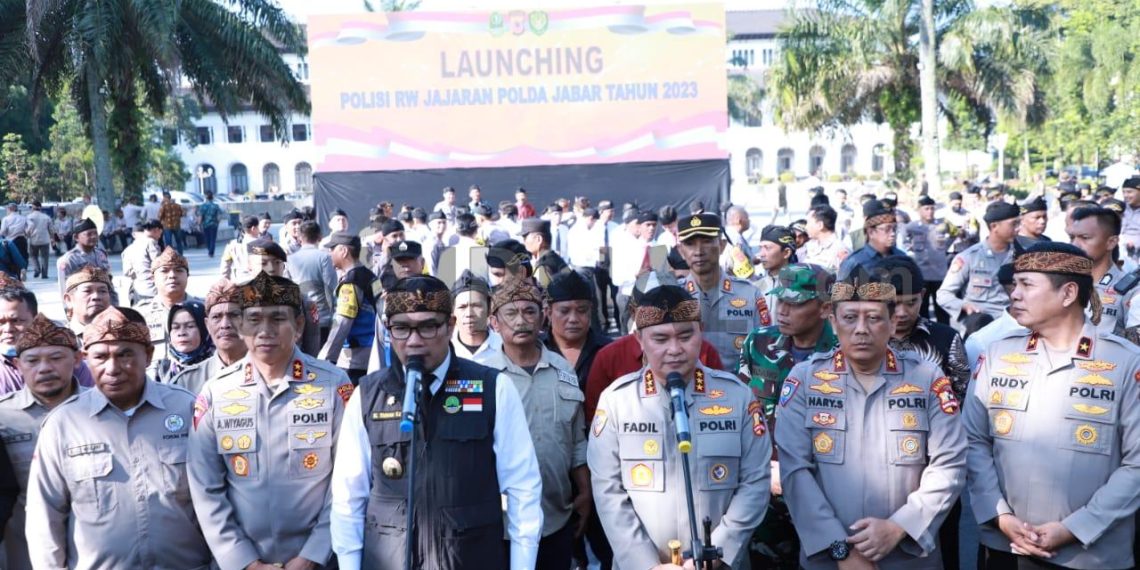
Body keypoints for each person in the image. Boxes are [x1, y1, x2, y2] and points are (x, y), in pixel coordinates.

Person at [330, 275, 543, 569]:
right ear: (388, 332)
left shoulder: (493, 388)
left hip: (471, 558)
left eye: (428, 326)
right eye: (402, 328)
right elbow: (348, 498)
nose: (414, 341)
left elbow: (523, 489)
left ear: (450, 326)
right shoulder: (367, 396)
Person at [775, 270, 967, 569]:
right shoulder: (805, 380)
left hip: (908, 555)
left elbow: (950, 463)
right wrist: (840, 549)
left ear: (892, 323)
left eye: (874, 318)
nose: (861, 329)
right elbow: (795, 472)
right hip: (828, 559)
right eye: (850, 317)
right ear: (833, 321)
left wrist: (898, 527)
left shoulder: (927, 377)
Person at [965, 242, 1140, 569]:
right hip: (1006, 547)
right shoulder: (998, 355)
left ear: (1068, 293)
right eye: (1014, 285)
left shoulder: (1125, 363)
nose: (1014, 294)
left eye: (1026, 284)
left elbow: (1136, 465)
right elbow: (974, 441)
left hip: (1091, 554)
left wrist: (1075, 528)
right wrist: (999, 514)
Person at [589, 284, 772, 569]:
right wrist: (646, 564)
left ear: (700, 330)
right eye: (660, 339)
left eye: (686, 336)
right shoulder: (617, 402)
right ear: (639, 339)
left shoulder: (737, 397)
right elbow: (608, 491)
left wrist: (717, 552)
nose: (674, 349)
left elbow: (755, 482)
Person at [189, 271, 353, 570]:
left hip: (321, 560)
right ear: (240, 326)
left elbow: (346, 480)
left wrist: (313, 555)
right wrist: (244, 561)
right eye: (254, 320)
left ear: (299, 325)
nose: (265, 331)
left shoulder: (334, 385)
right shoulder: (217, 391)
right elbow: (205, 487)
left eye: (278, 319)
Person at [25, 306, 211, 568]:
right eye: (100, 357)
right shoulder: (63, 424)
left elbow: (218, 495)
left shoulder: (187, 408)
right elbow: (44, 517)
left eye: (125, 355)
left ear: (148, 356)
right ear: (87, 359)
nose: (112, 368)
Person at [475, 278, 589, 568]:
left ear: (543, 317)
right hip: (498, 523)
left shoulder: (562, 368)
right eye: (510, 314)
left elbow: (575, 438)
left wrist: (585, 492)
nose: (521, 321)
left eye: (529, 311)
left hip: (556, 515)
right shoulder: (481, 376)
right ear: (494, 323)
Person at [0, 315, 85, 570]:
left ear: (78, 359)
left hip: (95, 553)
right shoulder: (3, 418)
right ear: (17, 365)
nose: (45, 368)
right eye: (33, 361)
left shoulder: (103, 411)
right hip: (22, 555)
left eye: (56, 358)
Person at [676, 212, 767, 370]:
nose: (698, 251)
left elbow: (765, 351)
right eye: (690, 243)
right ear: (681, 250)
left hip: (737, 389)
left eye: (706, 241)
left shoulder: (750, 295)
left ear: (722, 245)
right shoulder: (670, 298)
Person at [937, 201, 1020, 327]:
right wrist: (963, 305)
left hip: (1014, 324)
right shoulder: (968, 257)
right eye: (1013, 224)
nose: (1018, 228)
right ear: (994, 227)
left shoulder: (1022, 256)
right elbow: (943, 294)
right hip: (981, 326)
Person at [1067, 206, 1139, 336]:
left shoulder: (1131, 292)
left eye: (1085, 237)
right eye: (1072, 237)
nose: (1075, 244)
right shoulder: (1061, 283)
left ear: (1111, 242)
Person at [320, 232, 378, 385]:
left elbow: (342, 323)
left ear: (343, 251)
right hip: (375, 354)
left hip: (354, 361)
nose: (330, 253)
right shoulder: (371, 276)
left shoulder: (350, 284)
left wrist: (325, 360)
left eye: (332, 249)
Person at [171, 279, 247, 395]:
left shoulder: (272, 373)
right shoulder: (186, 382)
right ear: (207, 325)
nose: (225, 325)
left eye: (234, 315)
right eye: (217, 317)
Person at [135, 247, 200, 366]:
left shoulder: (203, 310)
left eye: (179, 270)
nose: (172, 275)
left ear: (187, 275)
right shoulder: (139, 315)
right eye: (164, 271)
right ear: (152, 278)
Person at [903, 195, 952, 324]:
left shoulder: (942, 224)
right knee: (922, 310)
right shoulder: (912, 227)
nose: (930, 211)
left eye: (932, 208)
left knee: (942, 310)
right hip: (922, 274)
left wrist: (945, 248)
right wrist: (910, 249)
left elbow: (955, 234)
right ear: (919, 210)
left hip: (940, 274)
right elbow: (903, 242)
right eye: (926, 208)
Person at [290, 221, 338, 342]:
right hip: (322, 317)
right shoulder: (324, 257)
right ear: (320, 236)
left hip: (300, 316)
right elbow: (330, 286)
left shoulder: (290, 259)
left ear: (300, 237)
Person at [838, 199, 905, 280]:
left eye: (894, 229)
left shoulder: (902, 258)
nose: (893, 233)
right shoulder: (854, 263)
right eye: (887, 229)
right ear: (871, 232)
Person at [154, 300, 214, 383]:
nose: (182, 333)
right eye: (176, 327)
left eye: (190, 326)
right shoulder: (162, 369)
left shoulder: (217, 365)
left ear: (204, 329)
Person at [451, 270, 501, 360]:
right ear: (453, 312)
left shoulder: (505, 348)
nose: (469, 314)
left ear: (489, 309)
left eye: (476, 306)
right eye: (462, 307)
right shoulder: (444, 351)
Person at [55, 217, 108, 300]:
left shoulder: (101, 254)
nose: (94, 237)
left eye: (95, 233)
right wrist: (68, 309)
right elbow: (64, 287)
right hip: (81, 303)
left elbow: (109, 282)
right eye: (89, 234)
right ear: (76, 237)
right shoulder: (68, 259)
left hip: (102, 302)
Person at [755, 225, 798, 322]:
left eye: (767, 248)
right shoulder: (755, 288)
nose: (761, 254)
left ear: (786, 253)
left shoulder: (801, 286)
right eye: (760, 248)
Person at [62, 265, 114, 340]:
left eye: (102, 291)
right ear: (69, 300)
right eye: (87, 291)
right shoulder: (58, 339)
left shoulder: (124, 336)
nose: (96, 297)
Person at [121, 219, 163, 305]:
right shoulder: (150, 242)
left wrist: (140, 273)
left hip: (138, 290)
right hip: (153, 288)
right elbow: (159, 264)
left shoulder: (127, 250)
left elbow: (127, 272)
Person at [799, 204, 850, 274]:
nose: (806, 227)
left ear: (820, 225)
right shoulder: (809, 245)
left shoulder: (840, 249)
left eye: (809, 222)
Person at [521, 218, 569, 287]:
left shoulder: (544, 266)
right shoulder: (554, 259)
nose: (523, 242)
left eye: (525, 238)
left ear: (539, 239)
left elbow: (542, 294)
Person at [221, 215, 261, 283]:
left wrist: (225, 281)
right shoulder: (260, 244)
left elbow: (225, 266)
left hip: (239, 280)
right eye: (258, 227)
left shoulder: (231, 244)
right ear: (253, 228)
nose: (259, 230)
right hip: (256, 281)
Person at [24, 202, 51, 280]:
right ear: (40, 208)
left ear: (32, 208)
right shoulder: (46, 217)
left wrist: (27, 235)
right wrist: (52, 237)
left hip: (33, 239)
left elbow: (27, 228)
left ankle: (37, 269)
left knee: (33, 256)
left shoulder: (28, 217)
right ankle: (44, 274)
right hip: (45, 239)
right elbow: (51, 229)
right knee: (45, 257)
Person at [198, 190, 224, 257]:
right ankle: (211, 252)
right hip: (214, 224)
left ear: (205, 197)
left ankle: (210, 250)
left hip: (205, 225)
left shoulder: (203, 206)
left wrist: (199, 224)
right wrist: (218, 222)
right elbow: (219, 216)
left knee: (207, 239)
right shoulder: (215, 206)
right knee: (213, 238)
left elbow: (200, 216)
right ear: (212, 197)